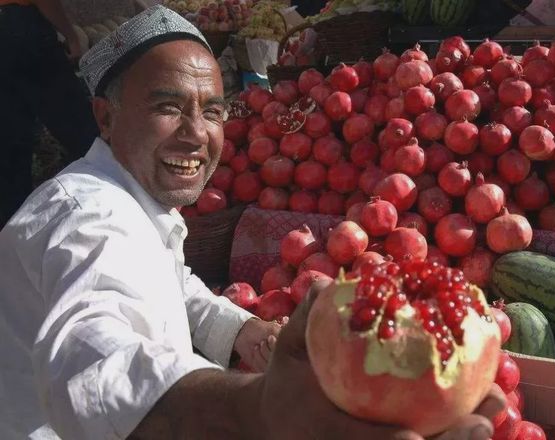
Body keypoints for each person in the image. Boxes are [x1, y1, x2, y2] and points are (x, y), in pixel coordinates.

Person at [0, 6, 504, 439]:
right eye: (168, 107)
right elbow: (90, 361)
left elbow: (173, 283)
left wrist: (242, 329)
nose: (197, 134)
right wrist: (254, 409)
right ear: (104, 117)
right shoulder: (88, 217)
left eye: (213, 112)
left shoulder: (139, 203)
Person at [0, 0, 100, 228]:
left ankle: (13, 231)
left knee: (10, 140)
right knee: (82, 132)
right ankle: (107, 201)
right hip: (21, 26)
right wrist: (71, 34)